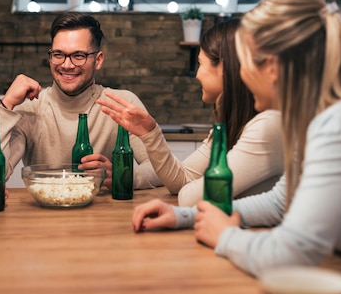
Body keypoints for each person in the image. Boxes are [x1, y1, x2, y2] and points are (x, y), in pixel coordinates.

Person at [131, 0, 341, 290]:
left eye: (244, 61)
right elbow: (279, 204)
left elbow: (291, 255)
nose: (242, 75)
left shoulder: (340, 126)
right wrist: (183, 216)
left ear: (271, 67)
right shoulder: (317, 121)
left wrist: (225, 236)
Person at [97, 17, 283, 206]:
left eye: (201, 64)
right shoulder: (229, 128)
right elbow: (181, 181)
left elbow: (190, 197)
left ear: (224, 68)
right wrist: (150, 133)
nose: (197, 74)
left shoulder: (267, 127)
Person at [0, 12, 161, 189]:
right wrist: (6, 105)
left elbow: (161, 171)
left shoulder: (122, 104)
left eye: (79, 56)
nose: (66, 65)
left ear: (98, 60)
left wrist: (124, 175)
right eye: (59, 54)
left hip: (104, 215)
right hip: (43, 214)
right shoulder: (30, 108)